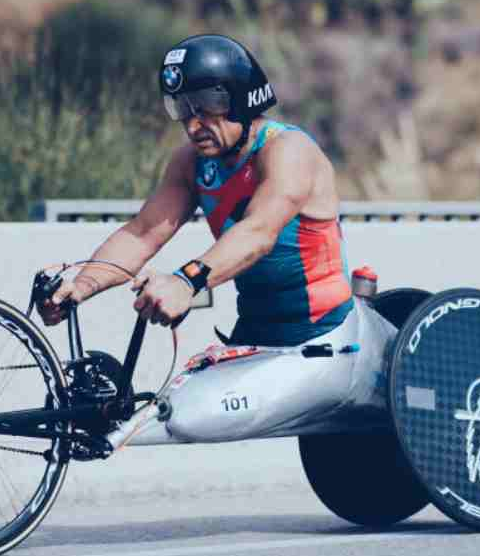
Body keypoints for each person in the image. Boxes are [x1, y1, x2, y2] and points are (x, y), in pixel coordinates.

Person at [38, 33, 353, 348]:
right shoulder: (191, 161)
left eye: (203, 108)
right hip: (255, 334)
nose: (192, 126)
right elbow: (142, 234)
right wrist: (79, 287)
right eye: (182, 110)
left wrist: (185, 282)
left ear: (240, 100)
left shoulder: (287, 150)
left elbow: (258, 233)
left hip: (322, 336)